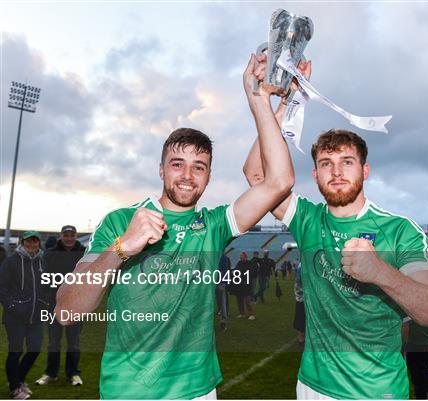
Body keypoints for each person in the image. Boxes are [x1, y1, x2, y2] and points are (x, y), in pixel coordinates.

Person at [54, 55, 294, 400]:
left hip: (199, 389)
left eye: (199, 167)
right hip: (131, 392)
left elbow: (279, 180)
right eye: (177, 164)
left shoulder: (213, 225)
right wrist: (122, 248)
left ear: (209, 176)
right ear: (162, 169)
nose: (186, 176)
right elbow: (67, 311)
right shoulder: (122, 221)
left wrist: (262, 100)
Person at [243, 55, 428, 400]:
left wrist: (380, 272)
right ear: (315, 175)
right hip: (313, 386)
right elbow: (256, 176)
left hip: (376, 391)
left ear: (365, 171)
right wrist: (285, 104)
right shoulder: (308, 218)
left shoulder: (399, 230)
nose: (336, 172)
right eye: (326, 164)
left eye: (346, 162)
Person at [0, 231, 49, 400]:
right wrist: (13, 305)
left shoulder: (43, 262)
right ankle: (15, 389)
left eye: (35, 240)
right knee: (15, 351)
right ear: (22, 242)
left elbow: (48, 285)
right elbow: (2, 287)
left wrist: (46, 304)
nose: (31, 244)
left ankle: (18, 380)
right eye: (28, 240)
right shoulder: (11, 261)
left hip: (36, 316)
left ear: (39, 243)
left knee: (34, 349)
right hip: (15, 317)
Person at [37, 225, 86, 386]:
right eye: (66, 235)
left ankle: (73, 373)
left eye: (72, 235)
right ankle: (51, 373)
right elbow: (43, 277)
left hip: (76, 304)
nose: (69, 238)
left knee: (74, 342)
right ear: (61, 236)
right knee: (53, 342)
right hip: (54, 304)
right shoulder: (50, 253)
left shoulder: (84, 252)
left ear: (75, 236)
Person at [402, 318, 428, 399]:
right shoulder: (409, 306)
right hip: (413, 351)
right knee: (417, 383)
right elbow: (405, 326)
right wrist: (405, 346)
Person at [230, 252, 254, 320]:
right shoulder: (239, 263)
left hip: (246, 284)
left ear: (245, 256)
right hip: (239, 284)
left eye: (242, 256)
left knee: (247, 300)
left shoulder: (249, 263)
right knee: (239, 300)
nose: (240, 257)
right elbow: (236, 270)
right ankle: (242, 313)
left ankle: (251, 314)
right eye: (240, 256)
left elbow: (249, 272)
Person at [216, 253, 231, 331]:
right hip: (213, 282)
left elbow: (225, 271)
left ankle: (223, 322)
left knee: (222, 303)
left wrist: (221, 282)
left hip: (220, 283)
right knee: (221, 303)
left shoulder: (223, 257)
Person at [293, 262, 305, 345]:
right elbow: (298, 283)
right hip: (303, 297)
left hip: (314, 297)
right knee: (301, 318)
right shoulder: (302, 266)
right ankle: (301, 337)